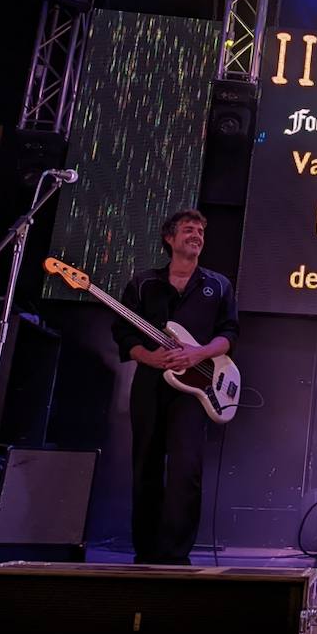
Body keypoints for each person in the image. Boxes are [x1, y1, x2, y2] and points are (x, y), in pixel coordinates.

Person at [112, 209, 238, 564]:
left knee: (187, 472)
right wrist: (148, 357)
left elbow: (229, 333)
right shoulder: (144, 284)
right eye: (188, 230)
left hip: (194, 391)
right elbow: (121, 332)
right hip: (150, 386)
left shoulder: (218, 285)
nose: (196, 235)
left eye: (200, 230)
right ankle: (147, 552)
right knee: (146, 467)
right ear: (170, 238)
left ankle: (176, 555)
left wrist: (199, 352)